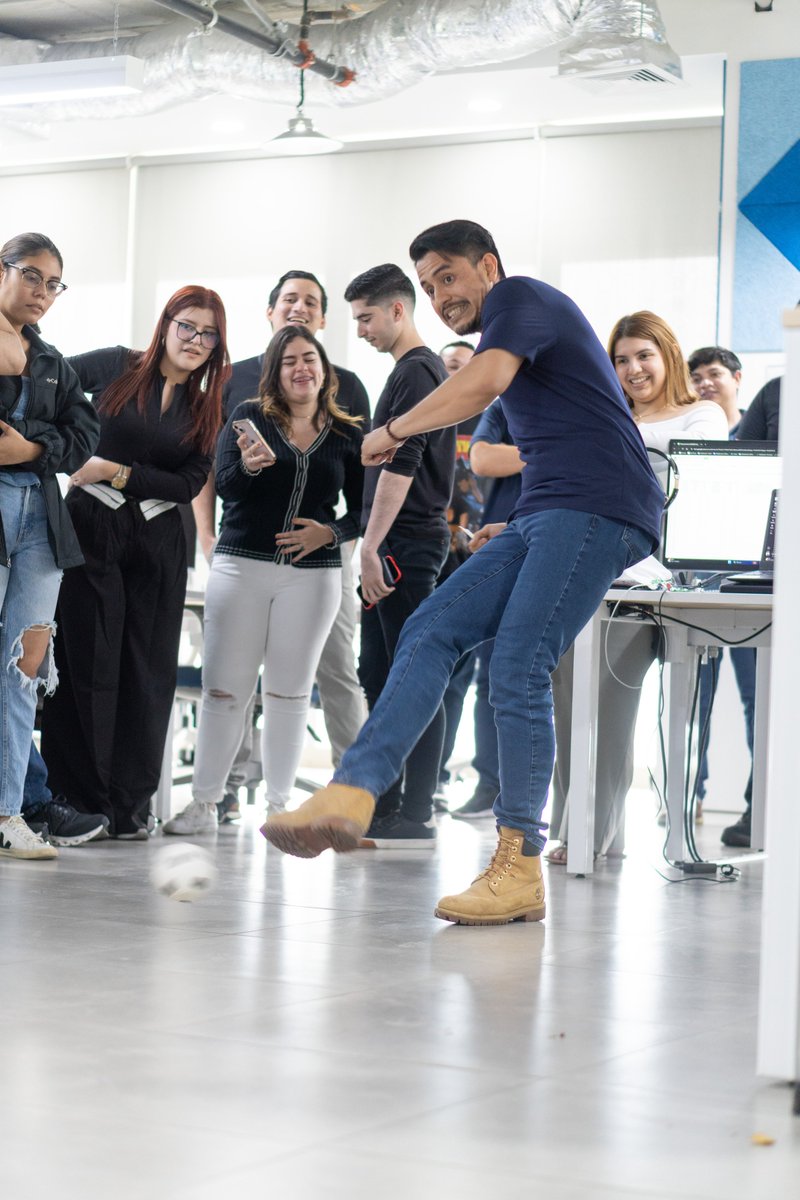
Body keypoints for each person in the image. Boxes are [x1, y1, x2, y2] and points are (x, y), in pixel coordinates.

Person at [262, 220, 662, 926]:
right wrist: (524, 522)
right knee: (431, 627)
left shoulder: (521, 298)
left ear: (487, 265)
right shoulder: (509, 332)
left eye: (448, 277)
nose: (440, 296)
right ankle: (353, 792)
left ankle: (518, 864)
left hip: (599, 506)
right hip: (547, 513)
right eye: (427, 286)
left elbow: (482, 386)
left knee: (518, 662)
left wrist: (393, 430)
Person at [40, 286, 229, 839]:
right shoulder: (115, 366)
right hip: (91, 528)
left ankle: (129, 807)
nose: (196, 340)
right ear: (165, 324)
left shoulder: (206, 402)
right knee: (87, 663)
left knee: (147, 670)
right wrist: (70, 454)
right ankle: (79, 801)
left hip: (159, 540)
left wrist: (113, 470)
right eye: (187, 326)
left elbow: (190, 481)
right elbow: (45, 384)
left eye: (209, 333)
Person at [163, 325, 364, 835]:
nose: (301, 368)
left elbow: (363, 511)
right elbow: (223, 483)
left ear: (324, 370)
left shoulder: (346, 433)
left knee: (289, 694)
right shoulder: (248, 416)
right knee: (224, 691)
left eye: (310, 359)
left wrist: (330, 532)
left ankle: (279, 808)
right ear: (275, 372)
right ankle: (203, 805)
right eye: (289, 360)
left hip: (312, 577)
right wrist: (250, 467)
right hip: (241, 564)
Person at [548, 313, 729, 863]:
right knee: (567, 704)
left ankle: (587, 831)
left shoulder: (702, 416)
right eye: (621, 359)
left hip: (658, 583)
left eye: (643, 356)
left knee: (609, 704)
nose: (632, 369)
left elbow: (690, 493)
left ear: (668, 355)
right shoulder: (606, 416)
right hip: (589, 569)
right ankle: (589, 827)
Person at [343, 263, 454, 848]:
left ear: (397, 310)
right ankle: (389, 805)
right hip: (399, 538)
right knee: (382, 673)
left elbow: (400, 465)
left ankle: (413, 811)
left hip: (404, 539)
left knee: (410, 674)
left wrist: (371, 547)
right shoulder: (411, 372)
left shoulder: (417, 372)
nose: (359, 329)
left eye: (365, 317)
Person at [0, 231, 100, 860]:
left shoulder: (53, 362)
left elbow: (84, 435)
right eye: (31, 276)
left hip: (43, 520)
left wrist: (30, 447)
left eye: (53, 283)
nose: (42, 292)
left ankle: (9, 812)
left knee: (22, 669)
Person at [688, 345, 757, 848]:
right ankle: (690, 795)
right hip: (698, 577)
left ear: (737, 378)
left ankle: (762, 803)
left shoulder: (763, 430)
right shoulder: (690, 432)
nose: (705, 383)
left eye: (714, 374)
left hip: (755, 580)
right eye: (696, 376)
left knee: (759, 698)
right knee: (696, 696)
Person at [447, 398, 524, 820]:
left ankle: (543, 801)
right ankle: (490, 785)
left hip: (561, 545)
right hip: (497, 546)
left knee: (552, 683)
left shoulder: (570, 397)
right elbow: (482, 459)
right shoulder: (501, 409)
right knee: (490, 671)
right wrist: (552, 453)